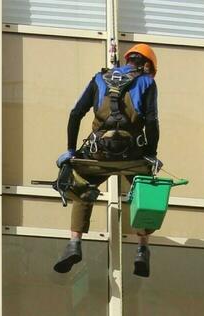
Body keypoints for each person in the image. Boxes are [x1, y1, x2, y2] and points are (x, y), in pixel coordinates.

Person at [53, 43, 160, 278]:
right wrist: (151, 153)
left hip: (98, 152)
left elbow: (75, 114)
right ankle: (142, 249)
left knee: (82, 185)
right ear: (147, 65)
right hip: (131, 153)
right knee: (145, 191)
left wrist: (71, 150)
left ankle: (74, 244)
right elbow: (151, 121)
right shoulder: (147, 82)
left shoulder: (100, 78)